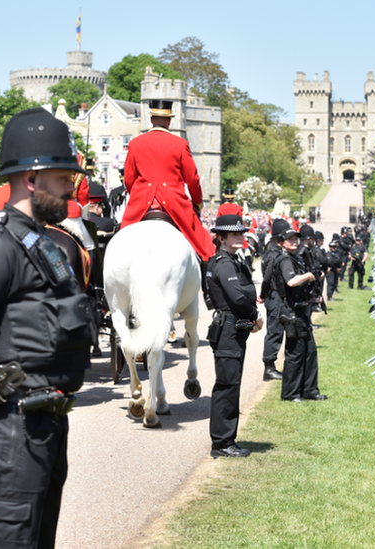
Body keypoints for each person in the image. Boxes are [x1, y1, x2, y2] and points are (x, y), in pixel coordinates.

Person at [0, 107, 93, 549]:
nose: (72, 184)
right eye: (63, 175)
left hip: (45, 425)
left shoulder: (41, 242)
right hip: (10, 426)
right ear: (31, 179)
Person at [120, 99, 214, 261]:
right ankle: (208, 274)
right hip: (174, 203)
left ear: (151, 119)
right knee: (205, 247)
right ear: (169, 121)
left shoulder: (135, 144)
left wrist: (137, 194)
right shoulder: (180, 144)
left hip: (142, 202)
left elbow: (129, 180)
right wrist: (197, 202)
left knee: (120, 242)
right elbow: (192, 179)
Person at [204, 213, 263, 458]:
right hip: (229, 328)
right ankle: (222, 443)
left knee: (230, 384)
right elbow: (237, 297)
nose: (240, 236)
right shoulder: (225, 263)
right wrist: (254, 315)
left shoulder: (228, 259)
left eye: (241, 232)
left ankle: (226, 439)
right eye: (234, 234)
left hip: (232, 327)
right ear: (221, 238)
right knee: (228, 385)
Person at [268, 223, 327, 402]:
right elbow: (292, 282)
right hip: (292, 312)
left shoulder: (296, 258)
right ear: (281, 242)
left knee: (310, 351)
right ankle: (290, 393)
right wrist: (308, 276)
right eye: (290, 239)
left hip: (302, 310)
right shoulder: (285, 259)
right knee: (295, 353)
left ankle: (309, 389)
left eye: (296, 238)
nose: (294, 241)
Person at [259, 219, 289, 381]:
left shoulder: (270, 251)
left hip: (273, 295)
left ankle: (270, 366)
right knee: (275, 331)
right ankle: (269, 367)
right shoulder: (274, 254)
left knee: (276, 330)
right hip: (275, 296)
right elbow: (267, 278)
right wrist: (263, 294)